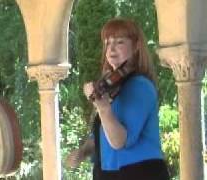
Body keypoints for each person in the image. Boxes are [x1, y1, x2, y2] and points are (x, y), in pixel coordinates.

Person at [66, 18, 170, 180]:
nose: (111, 48)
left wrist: (103, 108)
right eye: (107, 43)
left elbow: (119, 141)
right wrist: (83, 151)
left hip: (139, 172)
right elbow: (100, 135)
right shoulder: (113, 86)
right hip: (112, 172)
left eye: (120, 42)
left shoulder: (139, 86)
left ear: (136, 47)